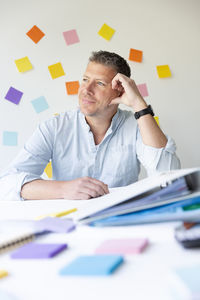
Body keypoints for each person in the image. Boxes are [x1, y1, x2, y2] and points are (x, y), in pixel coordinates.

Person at [0, 50, 180, 201]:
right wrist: (64, 189)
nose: (86, 89)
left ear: (120, 89)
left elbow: (169, 177)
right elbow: (6, 184)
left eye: (100, 83)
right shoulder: (54, 127)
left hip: (119, 222)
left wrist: (139, 105)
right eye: (85, 79)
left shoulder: (136, 127)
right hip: (66, 222)